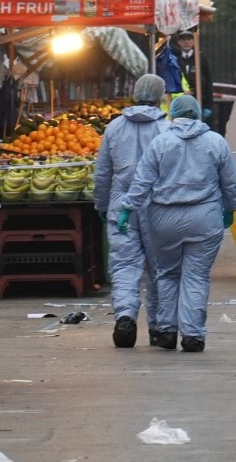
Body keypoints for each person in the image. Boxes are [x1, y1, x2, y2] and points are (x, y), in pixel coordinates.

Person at [114, 94, 236, 352]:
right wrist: (230, 208)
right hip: (204, 218)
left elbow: (142, 182)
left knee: (167, 274)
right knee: (196, 276)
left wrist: (127, 208)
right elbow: (230, 183)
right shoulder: (216, 142)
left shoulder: (160, 143)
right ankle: (193, 335)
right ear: (197, 113)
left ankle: (167, 331)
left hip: (164, 219)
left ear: (172, 114)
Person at [93, 72, 168, 349]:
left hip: (121, 207)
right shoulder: (167, 129)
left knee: (124, 265)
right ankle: (160, 326)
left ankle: (125, 315)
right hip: (158, 208)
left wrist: (102, 205)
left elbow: (102, 174)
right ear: (160, 96)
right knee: (159, 268)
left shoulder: (114, 128)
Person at [173, 28, 215, 129]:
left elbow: (208, 81)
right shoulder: (175, 60)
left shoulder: (201, 58)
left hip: (200, 103)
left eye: (189, 38)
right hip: (183, 105)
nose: (186, 41)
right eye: (183, 39)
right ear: (179, 42)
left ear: (194, 40)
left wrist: (208, 106)